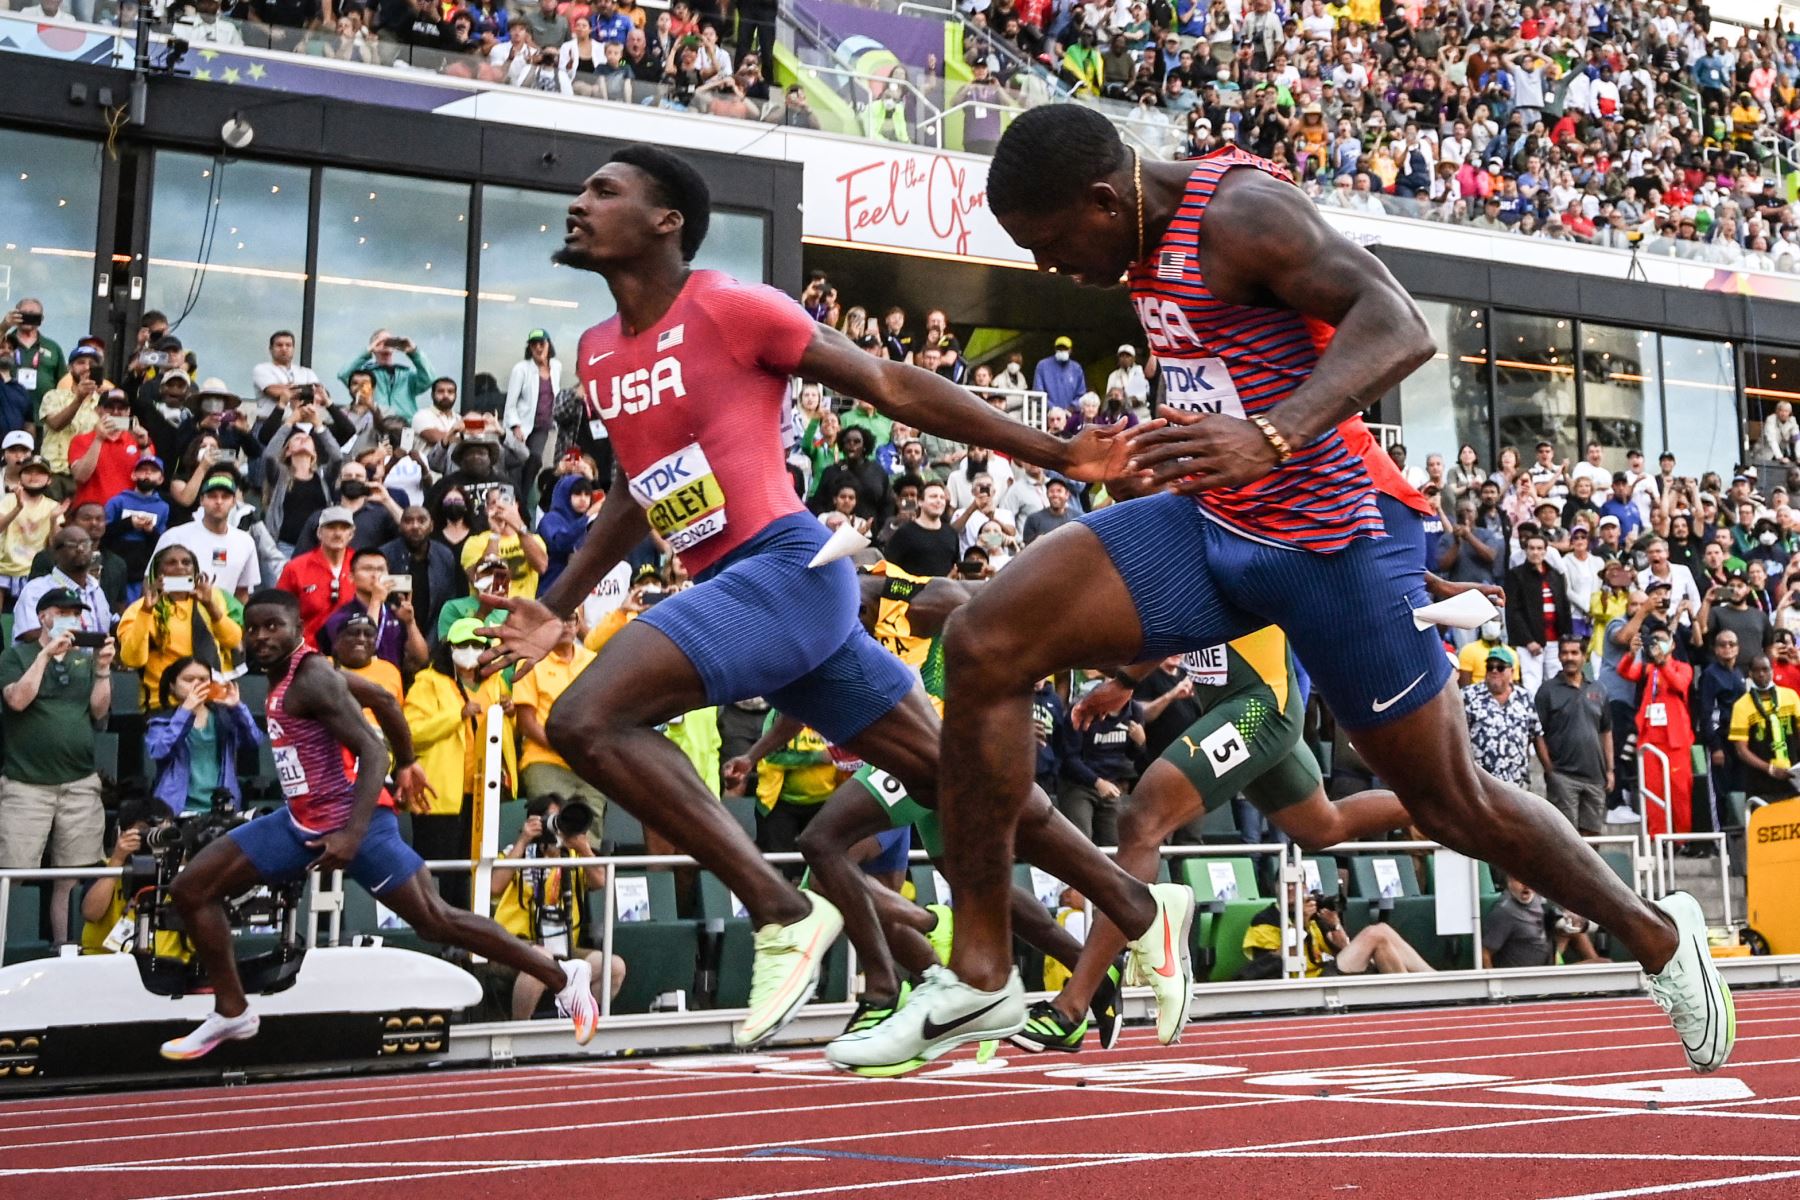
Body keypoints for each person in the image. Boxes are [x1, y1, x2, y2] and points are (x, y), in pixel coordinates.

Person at [878, 105, 1729, 1074]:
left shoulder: (1239, 212)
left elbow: (1397, 323)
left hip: (1334, 543)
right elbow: (1230, 370)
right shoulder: (1139, 240)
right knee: (989, 641)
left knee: (1451, 803)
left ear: (1105, 201)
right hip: (1214, 524)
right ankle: (981, 973)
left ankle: (1658, 935)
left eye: (1049, 244)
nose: (1047, 269)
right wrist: (1169, 447)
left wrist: (1270, 435)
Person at [479, 146, 1185, 1055]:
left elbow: (892, 384)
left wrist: (1057, 455)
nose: (577, 203)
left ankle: (779, 910)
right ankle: (1132, 903)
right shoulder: (597, 351)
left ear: (666, 223)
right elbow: (634, 488)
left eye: (601, 190)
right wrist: (558, 602)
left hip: (788, 571)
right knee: (956, 781)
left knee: (586, 719)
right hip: (743, 593)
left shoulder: (730, 306)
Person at [157, 591, 593, 1061]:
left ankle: (563, 976)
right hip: (302, 821)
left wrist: (353, 829)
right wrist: (409, 763)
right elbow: (383, 698)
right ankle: (232, 1008)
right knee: (191, 889)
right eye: (255, 628)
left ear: (298, 628)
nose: (262, 637)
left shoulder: (313, 678)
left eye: (273, 627)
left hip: (354, 823)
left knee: (436, 920)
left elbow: (371, 750)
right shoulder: (295, 673)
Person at [1015, 622, 1420, 1050]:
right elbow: (1177, 616)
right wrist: (1124, 681)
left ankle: (1074, 1005)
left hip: (1258, 709)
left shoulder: (1242, 554)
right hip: (1238, 705)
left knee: (1141, 821)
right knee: (1322, 826)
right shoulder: (1180, 561)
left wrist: (1125, 680)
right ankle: (1441, 805)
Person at [0, 590, 114, 945]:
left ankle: (68, 950)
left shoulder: (83, 662)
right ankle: (6, 948)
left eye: (75, 612)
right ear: (43, 616)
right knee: (13, 873)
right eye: (61, 611)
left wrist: (103, 671)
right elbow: (17, 699)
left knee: (71, 877)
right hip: (26, 783)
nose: (70, 617)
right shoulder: (16, 655)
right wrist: (46, 655)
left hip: (79, 783)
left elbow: (98, 712)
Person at [403, 619, 516, 911]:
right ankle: (437, 930)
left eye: (478, 645)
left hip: (482, 790)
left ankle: (470, 928)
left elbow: (499, 734)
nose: (470, 650)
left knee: (474, 866)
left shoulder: (494, 682)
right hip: (440, 792)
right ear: (449, 647)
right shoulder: (427, 682)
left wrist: (509, 714)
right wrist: (457, 714)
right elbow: (412, 733)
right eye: (463, 644)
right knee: (439, 867)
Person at [490, 794, 626, 1020]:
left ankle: (578, 1027)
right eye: (550, 820)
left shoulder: (573, 857)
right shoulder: (515, 853)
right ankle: (518, 1034)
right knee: (540, 960)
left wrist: (583, 848)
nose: (556, 827)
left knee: (614, 967)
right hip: (513, 946)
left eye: (560, 819)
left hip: (564, 948)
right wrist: (524, 840)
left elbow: (600, 881)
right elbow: (494, 886)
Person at [116, 544, 243, 711]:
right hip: (165, 704)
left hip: (212, 701)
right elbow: (132, 659)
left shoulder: (212, 600)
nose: (180, 567)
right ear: (158, 572)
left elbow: (233, 640)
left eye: (186, 562)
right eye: (171, 563)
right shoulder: (139, 609)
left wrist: (210, 606)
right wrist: (146, 611)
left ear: (194, 569)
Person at [512, 613, 609, 821]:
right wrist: (564, 748)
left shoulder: (594, 662)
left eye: (570, 618)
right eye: (559, 620)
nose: (565, 625)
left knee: (589, 832)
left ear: (577, 625)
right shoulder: (530, 663)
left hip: (587, 764)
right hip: (544, 760)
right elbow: (526, 724)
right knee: (552, 828)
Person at [145, 656, 261, 816]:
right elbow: (158, 751)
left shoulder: (223, 717)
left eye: (203, 679)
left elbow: (253, 741)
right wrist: (185, 711)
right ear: (172, 686)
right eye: (188, 679)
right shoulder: (161, 721)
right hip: (177, 809)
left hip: (222, 808)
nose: (197, 684)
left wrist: (237, 708)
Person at [1618, 625, 1696, 837]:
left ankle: (1681, 838)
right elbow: (1624, 671)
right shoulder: (1647, 670)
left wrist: (1663, 663)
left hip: (1676, 740)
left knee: (1679, 789)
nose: (1657, 643)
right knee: (1653, 790)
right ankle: (1658, 836)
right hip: (1650, 737)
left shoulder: (1683, 667)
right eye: (1653, 640)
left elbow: (1680, 685)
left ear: (1672, 644)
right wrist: (1631, 653)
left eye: (1661, 639)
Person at [1536, 636, 1614, 837]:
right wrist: (1549, 768)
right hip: (1563, 775)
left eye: (1574, 653)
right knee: (1565, 837)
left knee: (1593, 836)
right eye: (1565, 653)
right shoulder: (1547, 691)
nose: (1569, 657)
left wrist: (1610, 770)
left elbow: (1606, 731)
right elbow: (1537, 733)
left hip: (1595, 776)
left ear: (1584, 656)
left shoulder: (1599, 689)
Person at [154, 471, 261, 603]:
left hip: (223, 618)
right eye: (212, 496)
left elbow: (242, 593)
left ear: (234, 501)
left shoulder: (245, 542)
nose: (219, 501)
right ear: (202, 500)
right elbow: (152, 581)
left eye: (225, 496)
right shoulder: (174, 536)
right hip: (179, 615)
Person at [274, 505, 356, 646]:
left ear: (351, 534)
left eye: (343, 528)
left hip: (353, 652)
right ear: (319, 533)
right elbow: (279, 611)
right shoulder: (296, 568)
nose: (337, 534)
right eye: (331, 528)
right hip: (309, 653)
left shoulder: (362, 565)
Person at [1503, 531, 1571, 698]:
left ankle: (1554, 721)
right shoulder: (1516, 575)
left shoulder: (1555, 575)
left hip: (1555, 639)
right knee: (1531, 684)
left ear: (1545, 551)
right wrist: (1528, 640)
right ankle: (1534, 722)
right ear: (1526, 551)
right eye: (1531, 548)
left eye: (1539, 548)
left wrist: (1566, 636)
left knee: (1556, 682)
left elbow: (1563, 606)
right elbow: (1513, 611)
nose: (1535, 552)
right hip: (1530, 641)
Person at [1728, 653, 1800, 808]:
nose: (1761, 674)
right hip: (1760, 782)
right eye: (1756, 670)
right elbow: (1741, 750)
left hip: (1793, 779)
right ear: (1750, 673)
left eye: (1765, 669)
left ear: (1772, 671)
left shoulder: (1790, 696)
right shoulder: (1741, 705)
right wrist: (1770, 769)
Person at [380, 505, 460, 641]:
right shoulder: (385, 555)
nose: (415, 526)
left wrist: (431, 644)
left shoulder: (444, 555)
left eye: (422, 520)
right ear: (400, 526)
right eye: (408, 521)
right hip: (392, 636)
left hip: (433, 636)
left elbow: (446, 604)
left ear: (431, 526)